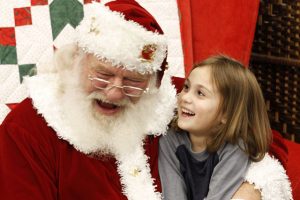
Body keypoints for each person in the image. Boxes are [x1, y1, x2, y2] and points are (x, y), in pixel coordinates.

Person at [0, 1, 292, 200]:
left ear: (154, 83)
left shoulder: (178, 100)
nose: (114, 92)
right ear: (76, 61)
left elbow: (262, 138)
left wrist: (255, 186)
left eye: (133, 81)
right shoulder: (28, 129)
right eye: (102, 75)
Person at [159, 55, 293, 200]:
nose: (185, 97)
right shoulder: (169, 139)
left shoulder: (235, 147)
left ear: (227, 114)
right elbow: (173, 195)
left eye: (200, 93)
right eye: (186, 87)